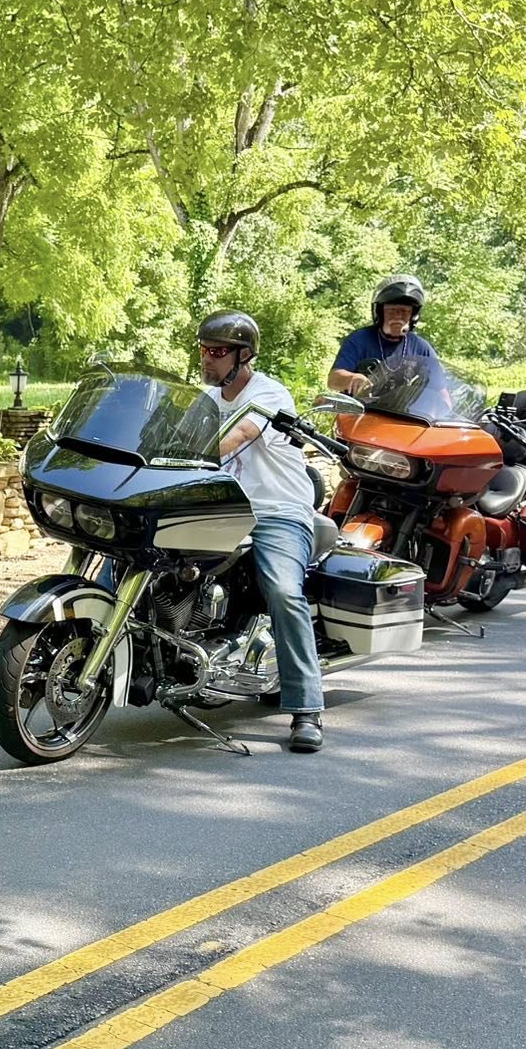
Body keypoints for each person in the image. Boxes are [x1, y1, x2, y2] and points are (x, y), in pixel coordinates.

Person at [198, 311, 326, 754]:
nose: (207, 359)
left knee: (284, 592)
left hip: (276, 511)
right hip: (221, 509)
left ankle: (306, 708)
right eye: (203, 349)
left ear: (243, 356)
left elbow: (237, 436)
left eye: (217, 351)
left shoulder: (268, 393)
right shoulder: (204, 397)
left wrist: (187, 450)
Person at [327, 275, 436, 397]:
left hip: (405, 409)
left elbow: (440, 390)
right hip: (360, 407)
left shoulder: (422, 349)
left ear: (413, 316)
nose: (398, 316)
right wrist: (353, 378)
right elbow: (333, 379)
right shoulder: (359, 339)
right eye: (392, 310)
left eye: (405, 311)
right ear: (380, 312)